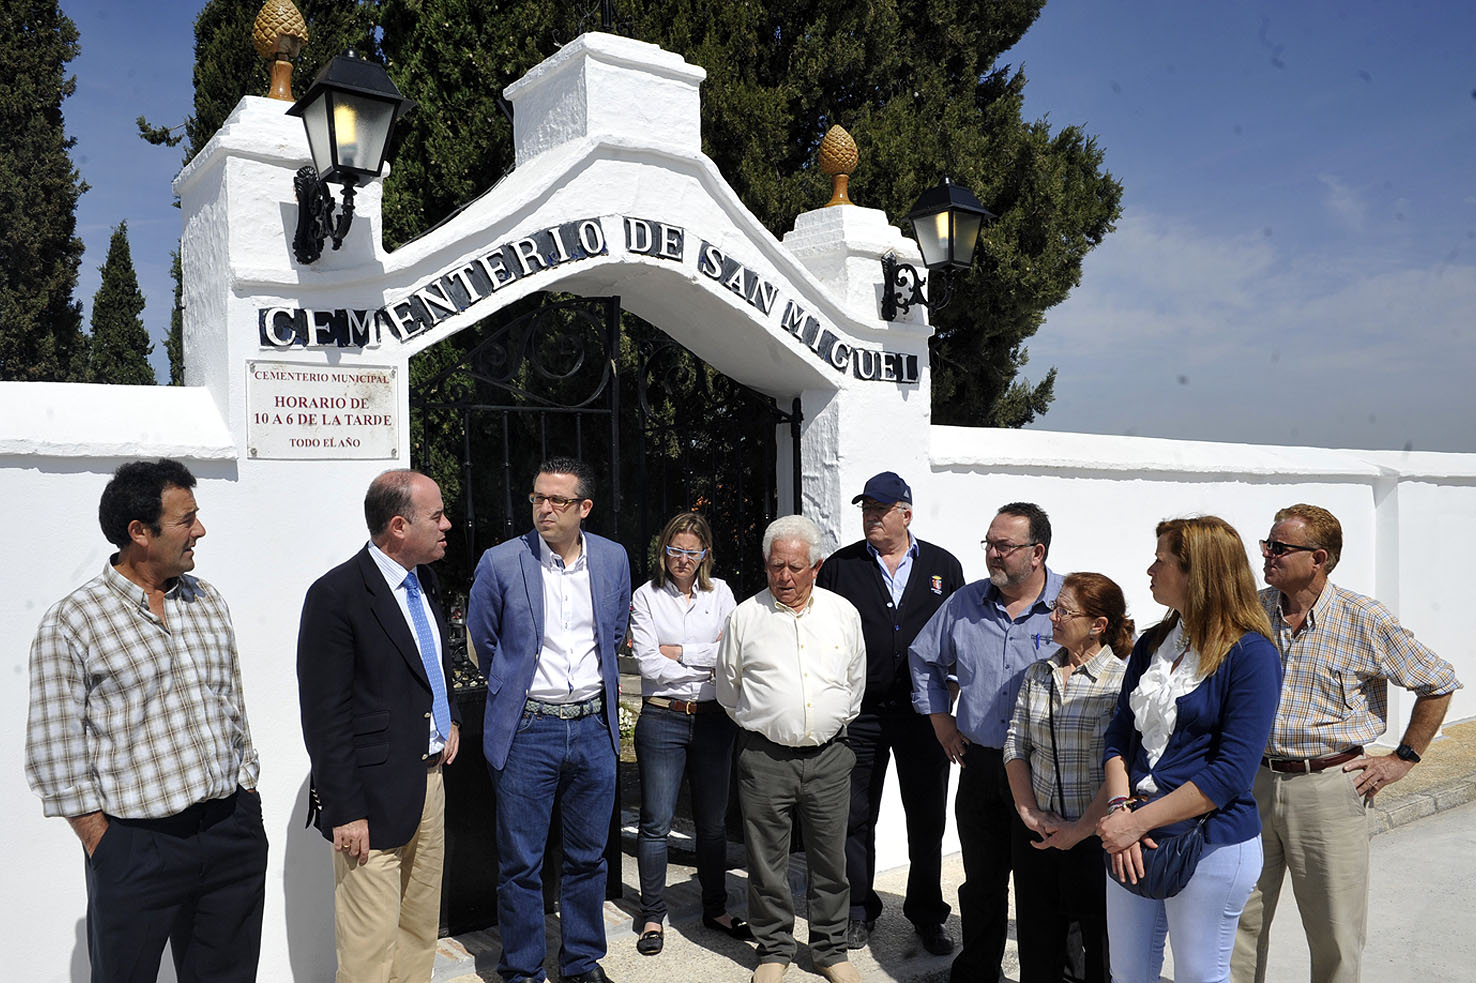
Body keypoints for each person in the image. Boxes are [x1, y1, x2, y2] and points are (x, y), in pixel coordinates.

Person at [25, 458, 268, 983]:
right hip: (137, 846)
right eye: (186, 520)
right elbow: (54, 748)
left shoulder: (206, 600)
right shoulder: (74, 621)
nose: (199, 530)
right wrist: (101, 842)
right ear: (139, 532)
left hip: (230, 831)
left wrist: (246, 789)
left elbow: (232, 704)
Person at [1231, 504, 1462, 983]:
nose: (1267, 555)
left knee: (1334, 931)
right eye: (1266, 545)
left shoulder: (1364, 618)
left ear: (1318, 558)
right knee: (1238, 923)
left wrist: (1404, 758)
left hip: (1330, 789)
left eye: (1279, 547)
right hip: (1251, 783)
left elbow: (1438, 682)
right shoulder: (1250, 610)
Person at [1095, 516, 1282, 983]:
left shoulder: (1251, 653)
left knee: (1201, 975)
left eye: (1161, 561)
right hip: (1135, 834)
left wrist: (1132, 823)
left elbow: (1231, 773)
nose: (1150, 571)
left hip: (1210, 841)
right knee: (1128, 974)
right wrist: (1122, 810)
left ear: (1197, 572)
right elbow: (1120, 735)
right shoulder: (1154, 644)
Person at [467, 457, 632, 983]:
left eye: (557, 501)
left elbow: (615, 629)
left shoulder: (612, 558)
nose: (543, 509)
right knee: (521, 865)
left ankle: (582, 963)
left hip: (592, 727)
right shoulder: (501, 562)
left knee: (588, 859)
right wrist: (519, 689)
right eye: (538, 498)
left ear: (583, 507)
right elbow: (483, 644)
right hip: (528, 729)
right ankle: (523, 970)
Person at [297, 469, 462, 983]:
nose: (447, 525)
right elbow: (324, 716)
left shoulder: (425, 581)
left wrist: (446, 716)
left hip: (429, 784)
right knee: (369, 949)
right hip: (368, 802)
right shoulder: (336, 595)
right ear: (398, 526)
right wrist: (345, 809)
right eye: (436, 516)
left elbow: (430, 660)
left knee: (418, 932)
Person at [909, 502, 1062, 983]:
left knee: (1046, 886)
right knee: (982, 884)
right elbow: (923, 659)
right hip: (981, 767)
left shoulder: (1070, 604)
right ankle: (977, 972)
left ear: (1036, 553)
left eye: (1004, 546)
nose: (992, 554)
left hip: (1046, 773)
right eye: (989, 544)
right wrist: (942, 724)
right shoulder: (964, 603)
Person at [814, 471, 963, 955]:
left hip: (926, 715)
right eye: (866, 509)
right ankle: (859, 909)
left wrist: (953, 688)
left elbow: (960, 635)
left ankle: (926, 915)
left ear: (906, 513)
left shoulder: (943, 566)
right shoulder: (841, 567)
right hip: (862, 715)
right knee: (856, 815)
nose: (871, 517)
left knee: (927, 817)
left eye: (880, 509)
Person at [717, 515, 866, 983]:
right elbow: (728, 688)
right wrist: (769, 724)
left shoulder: (843, 613)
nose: (785, 577)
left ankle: (829, 950)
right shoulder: (745, 617)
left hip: (829, 757)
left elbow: (854, 682)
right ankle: (774, 949)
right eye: (775, 566)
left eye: (795, 568)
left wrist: (829, 719)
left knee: (830, 860)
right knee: (766, 862)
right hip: (765, 759)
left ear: (816, 566)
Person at [1003, 572, 1133, 983]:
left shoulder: (1122, 682)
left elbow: (1121, 763)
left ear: (1098, 625)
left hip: (1097, 841)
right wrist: (1028, 812)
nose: (1052, 617)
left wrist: (1079, 829)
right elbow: (1015, 745)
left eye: (1063, 610)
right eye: (1054, 608)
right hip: (1039, 838)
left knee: (1099, 957)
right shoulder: (1037, 675)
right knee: (1039, 954)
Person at [629, 511, 746, 956]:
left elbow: (731, 654)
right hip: (662, 718)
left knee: (713, 824)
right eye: (674, 550)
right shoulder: (647, 597)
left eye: (690, 552)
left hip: (715, 719)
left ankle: (714, 907)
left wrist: (678, 651)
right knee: (656, 823)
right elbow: (647, 664)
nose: (681, 559)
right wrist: (704, 658)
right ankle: (653, 915)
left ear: (705, 554)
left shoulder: (723, 595)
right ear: (664, 551)